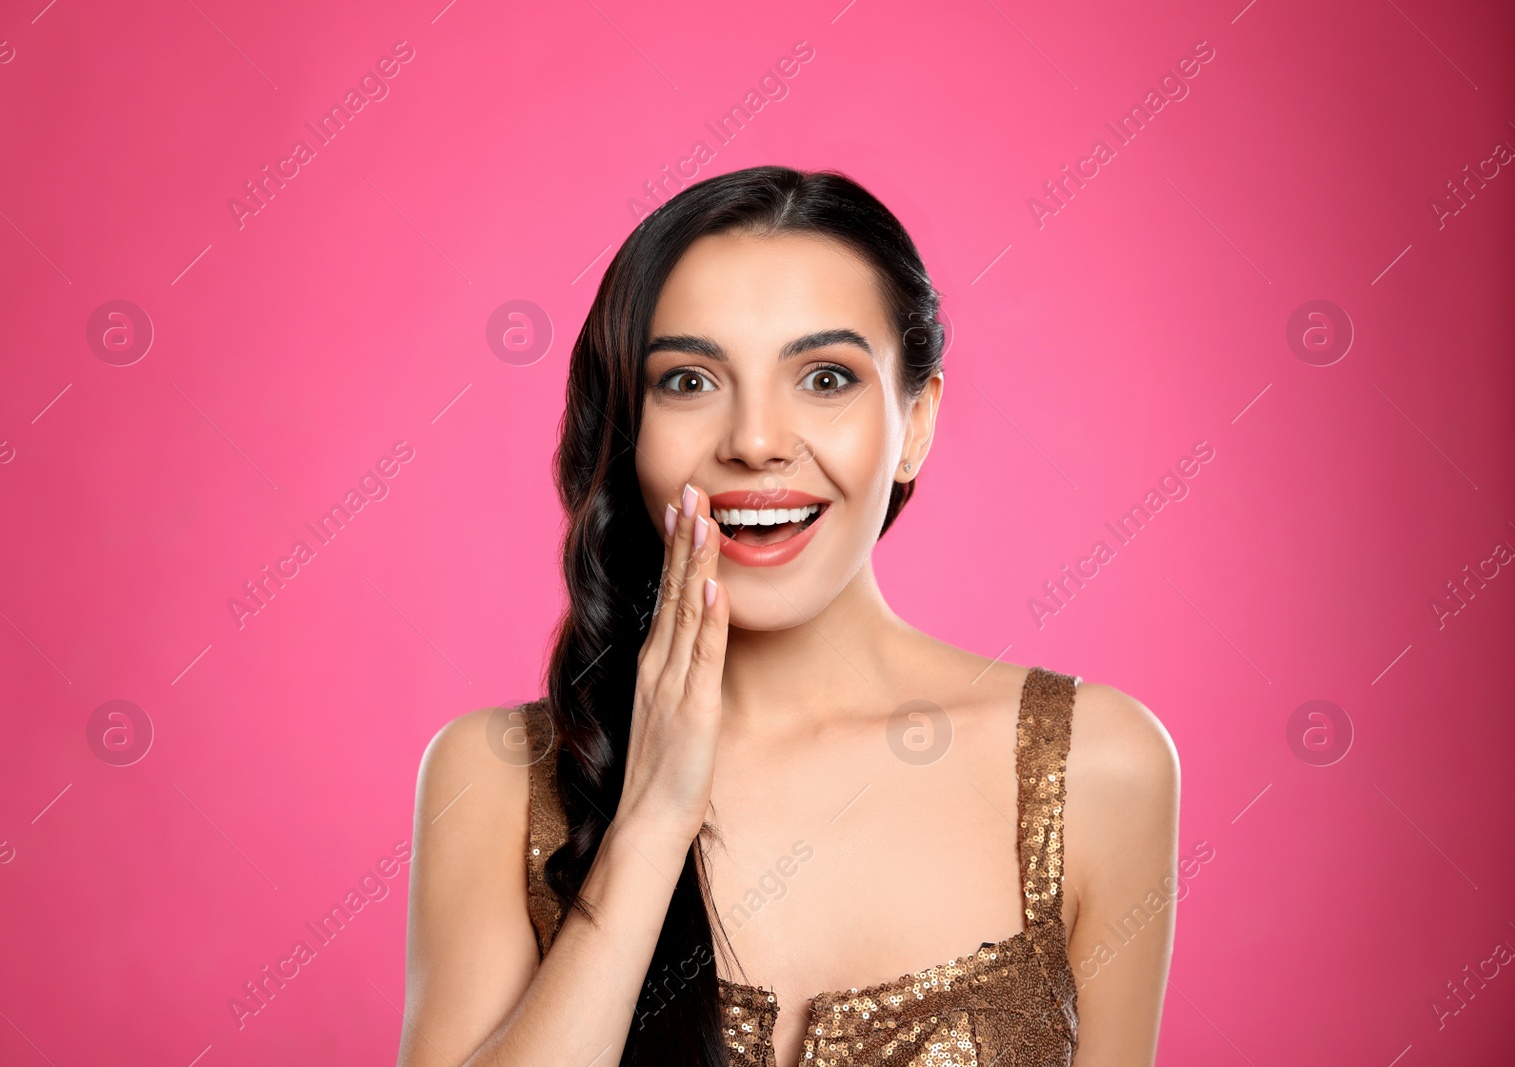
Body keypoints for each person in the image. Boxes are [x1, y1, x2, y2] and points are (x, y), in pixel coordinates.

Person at [398, 166, 1179, 1067]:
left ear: (916, 422)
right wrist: (648, 829)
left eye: (826, 376)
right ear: (628, 425)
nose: (757, 440)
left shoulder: (1094, 768)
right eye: (689, 381)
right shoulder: (495, 781)